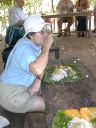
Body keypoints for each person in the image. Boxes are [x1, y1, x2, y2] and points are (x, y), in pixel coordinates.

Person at [0, 15, 53, 114]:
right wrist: (46, 47)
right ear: (30, 35)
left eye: (45, 30)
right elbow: (38, 69)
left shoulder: (31, 43)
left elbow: (41, 64)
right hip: (11, 95)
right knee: (52, 105)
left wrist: (38, 80)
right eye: (42, 32)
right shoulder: (25, 48)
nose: (46, 34)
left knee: (50, 92)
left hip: (20, 87)